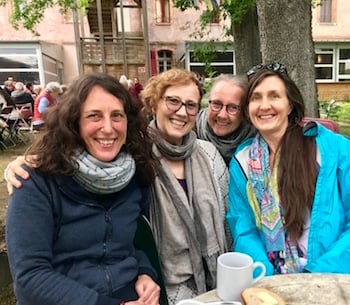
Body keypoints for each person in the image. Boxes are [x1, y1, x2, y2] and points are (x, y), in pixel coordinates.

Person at [5, 73, 160, 305]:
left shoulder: (135, 176)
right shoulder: (35, 180)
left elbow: (131, 244)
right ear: (74, 122)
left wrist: (145, 273)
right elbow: (29, 277)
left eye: (116, 116)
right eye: (94, 116)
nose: (108, 129)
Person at [226, 62, 350, 276]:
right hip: (271, 283)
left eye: (274, 96)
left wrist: (319, 273)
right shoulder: (242, 161)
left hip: (328, 276)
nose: (264, 106)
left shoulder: (332, 149)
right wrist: (266, 276)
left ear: (290, 105)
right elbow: (243, 228)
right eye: (256, 97)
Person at [141, 68, 229, 304]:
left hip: (216, 282)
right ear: (154, 104)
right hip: (161, 285)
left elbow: (227, 220)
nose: (182, 112)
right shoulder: (137, 157)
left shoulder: (209, 155)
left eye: (191, 105)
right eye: (173, 101)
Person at [196, 74, 255, 165]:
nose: (222, 115)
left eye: (233, 107)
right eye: (216, 104)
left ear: (245, 111)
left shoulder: (256, 144)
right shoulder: (190, 133)